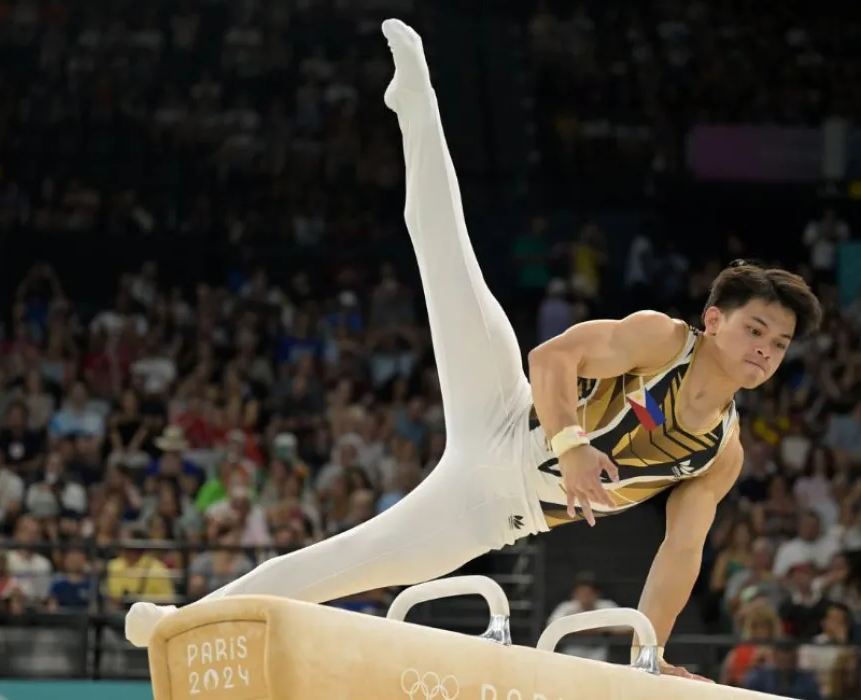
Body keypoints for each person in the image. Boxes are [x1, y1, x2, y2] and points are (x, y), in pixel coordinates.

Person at [125, 19, 822, 679]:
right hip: (503, 411)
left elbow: (680, 551)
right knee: (447, 256)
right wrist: (574, 444)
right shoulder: (662, 339)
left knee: (334, 568)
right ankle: (416, 99)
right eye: (756, 329)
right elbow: (552, 359)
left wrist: (650, 651)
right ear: (713, 320)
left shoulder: (720, 452)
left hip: (488, 513)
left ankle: (177, 622)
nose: (766, 350)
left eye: (780, 343)